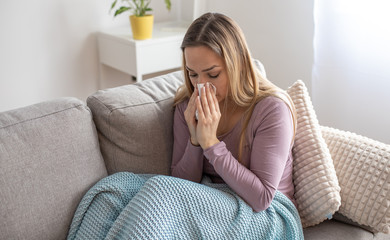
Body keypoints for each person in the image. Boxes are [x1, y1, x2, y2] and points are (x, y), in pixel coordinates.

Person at [171, 12, 297, 212]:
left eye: (213, 74)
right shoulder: (187, 107)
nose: (201, 86)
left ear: (237, 64)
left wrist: (211, 143)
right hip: (212, 201)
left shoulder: (271, 110)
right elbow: (178, 189)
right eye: (193, 74)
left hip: (270, 213)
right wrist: (195, 140)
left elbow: (262, 198)